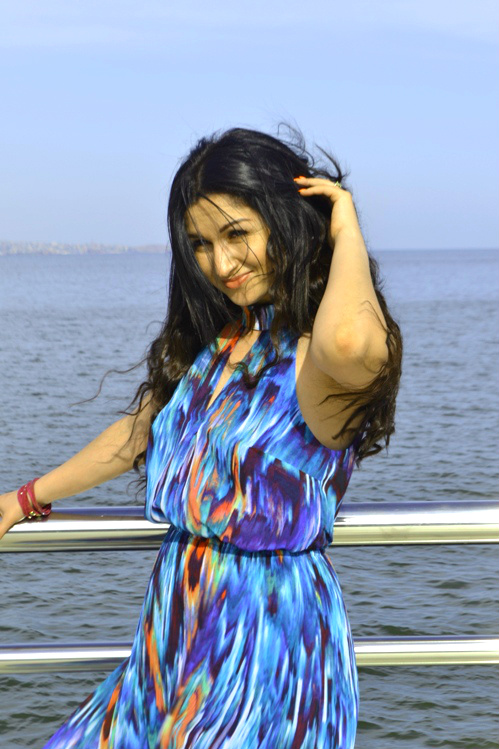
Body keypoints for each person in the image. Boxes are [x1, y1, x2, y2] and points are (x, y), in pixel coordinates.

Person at [0, 124, 402, 748]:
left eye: (238, 234)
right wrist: (24, 499)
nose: (220, 264)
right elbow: (139, 434)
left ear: (286, 221)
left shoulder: (314, 359)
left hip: (263, 648)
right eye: (201, 244)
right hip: (176, 636)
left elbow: (350, 339)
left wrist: (343, 227)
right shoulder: (224, 344)